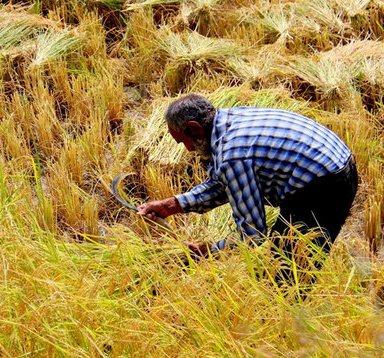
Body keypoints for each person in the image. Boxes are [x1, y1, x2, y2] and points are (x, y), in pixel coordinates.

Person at [137, 94, 358, 267]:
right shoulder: (229, 118)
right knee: (283, 258)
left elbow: (253, 235)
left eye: (184, 141)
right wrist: (170, 206)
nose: (188, 149)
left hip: (324, 185)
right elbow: (225, 184)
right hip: (337, 160)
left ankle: (289, 322)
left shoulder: (233, 154)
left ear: (195, 128)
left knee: (287, 274)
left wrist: (207, 252)